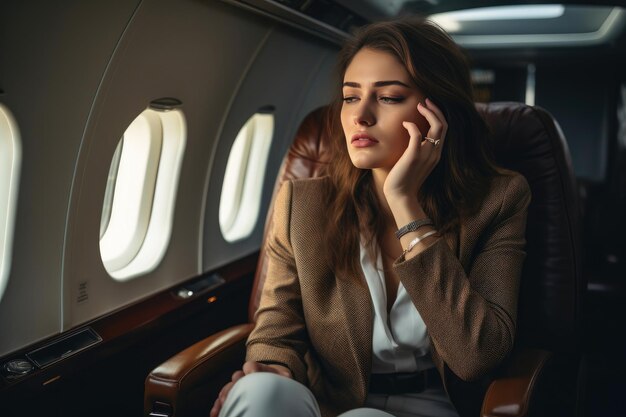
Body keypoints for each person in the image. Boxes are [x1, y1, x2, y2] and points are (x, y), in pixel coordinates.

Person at [211, 17, 531, 417]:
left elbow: (477, 354)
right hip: (331, 402)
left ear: (438, 113)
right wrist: (268, 367)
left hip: (438, 405)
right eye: (350, 97)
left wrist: (404, 203)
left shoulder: (499, 199)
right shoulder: (303, 203)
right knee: (261, 394)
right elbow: (277, 328)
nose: (360, 115)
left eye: (389, 97)